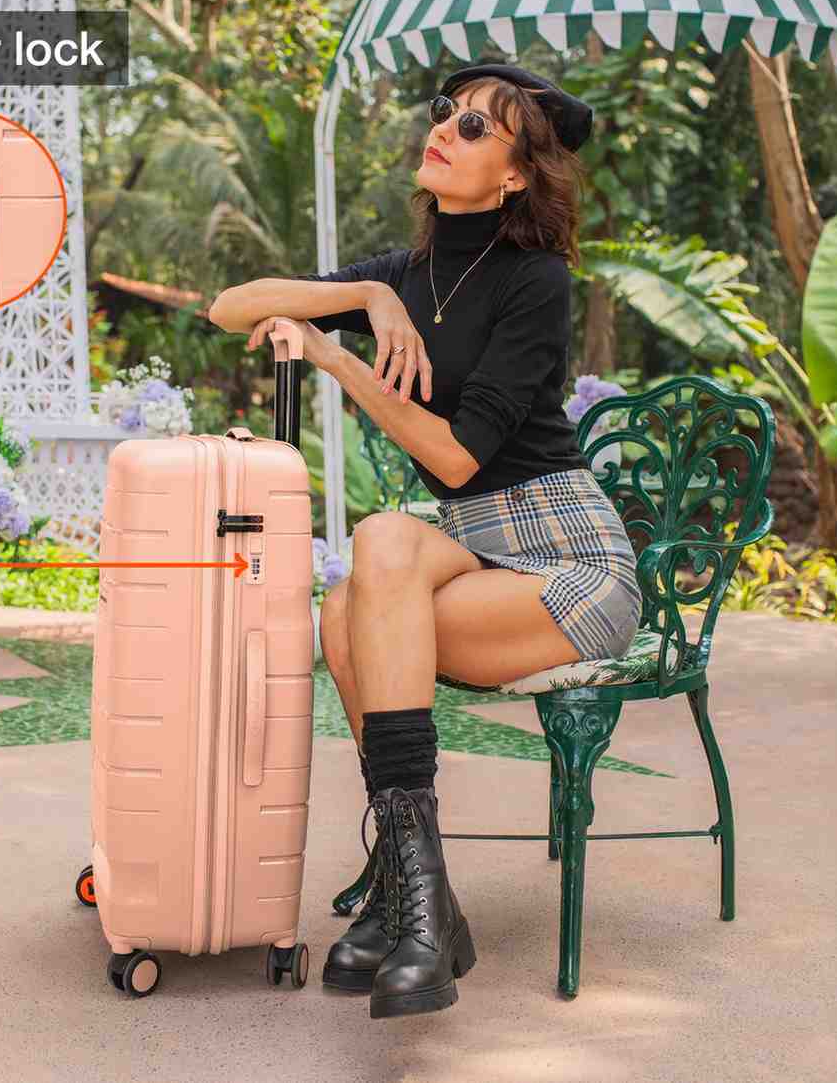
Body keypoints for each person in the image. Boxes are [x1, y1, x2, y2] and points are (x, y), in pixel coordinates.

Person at [206, 63, 642, 1019]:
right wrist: (368, 294)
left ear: (515, 175)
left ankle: (411, 906)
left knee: (368, 599)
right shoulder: (401, 276)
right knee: (357, 589)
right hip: (474, 544)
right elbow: (229, 306)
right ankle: (422, 900)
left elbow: (453, 457)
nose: (445, 129)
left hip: (567, 556)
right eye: (446, 112)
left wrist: (336, 359)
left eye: (478, 127)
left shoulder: (536, 281)